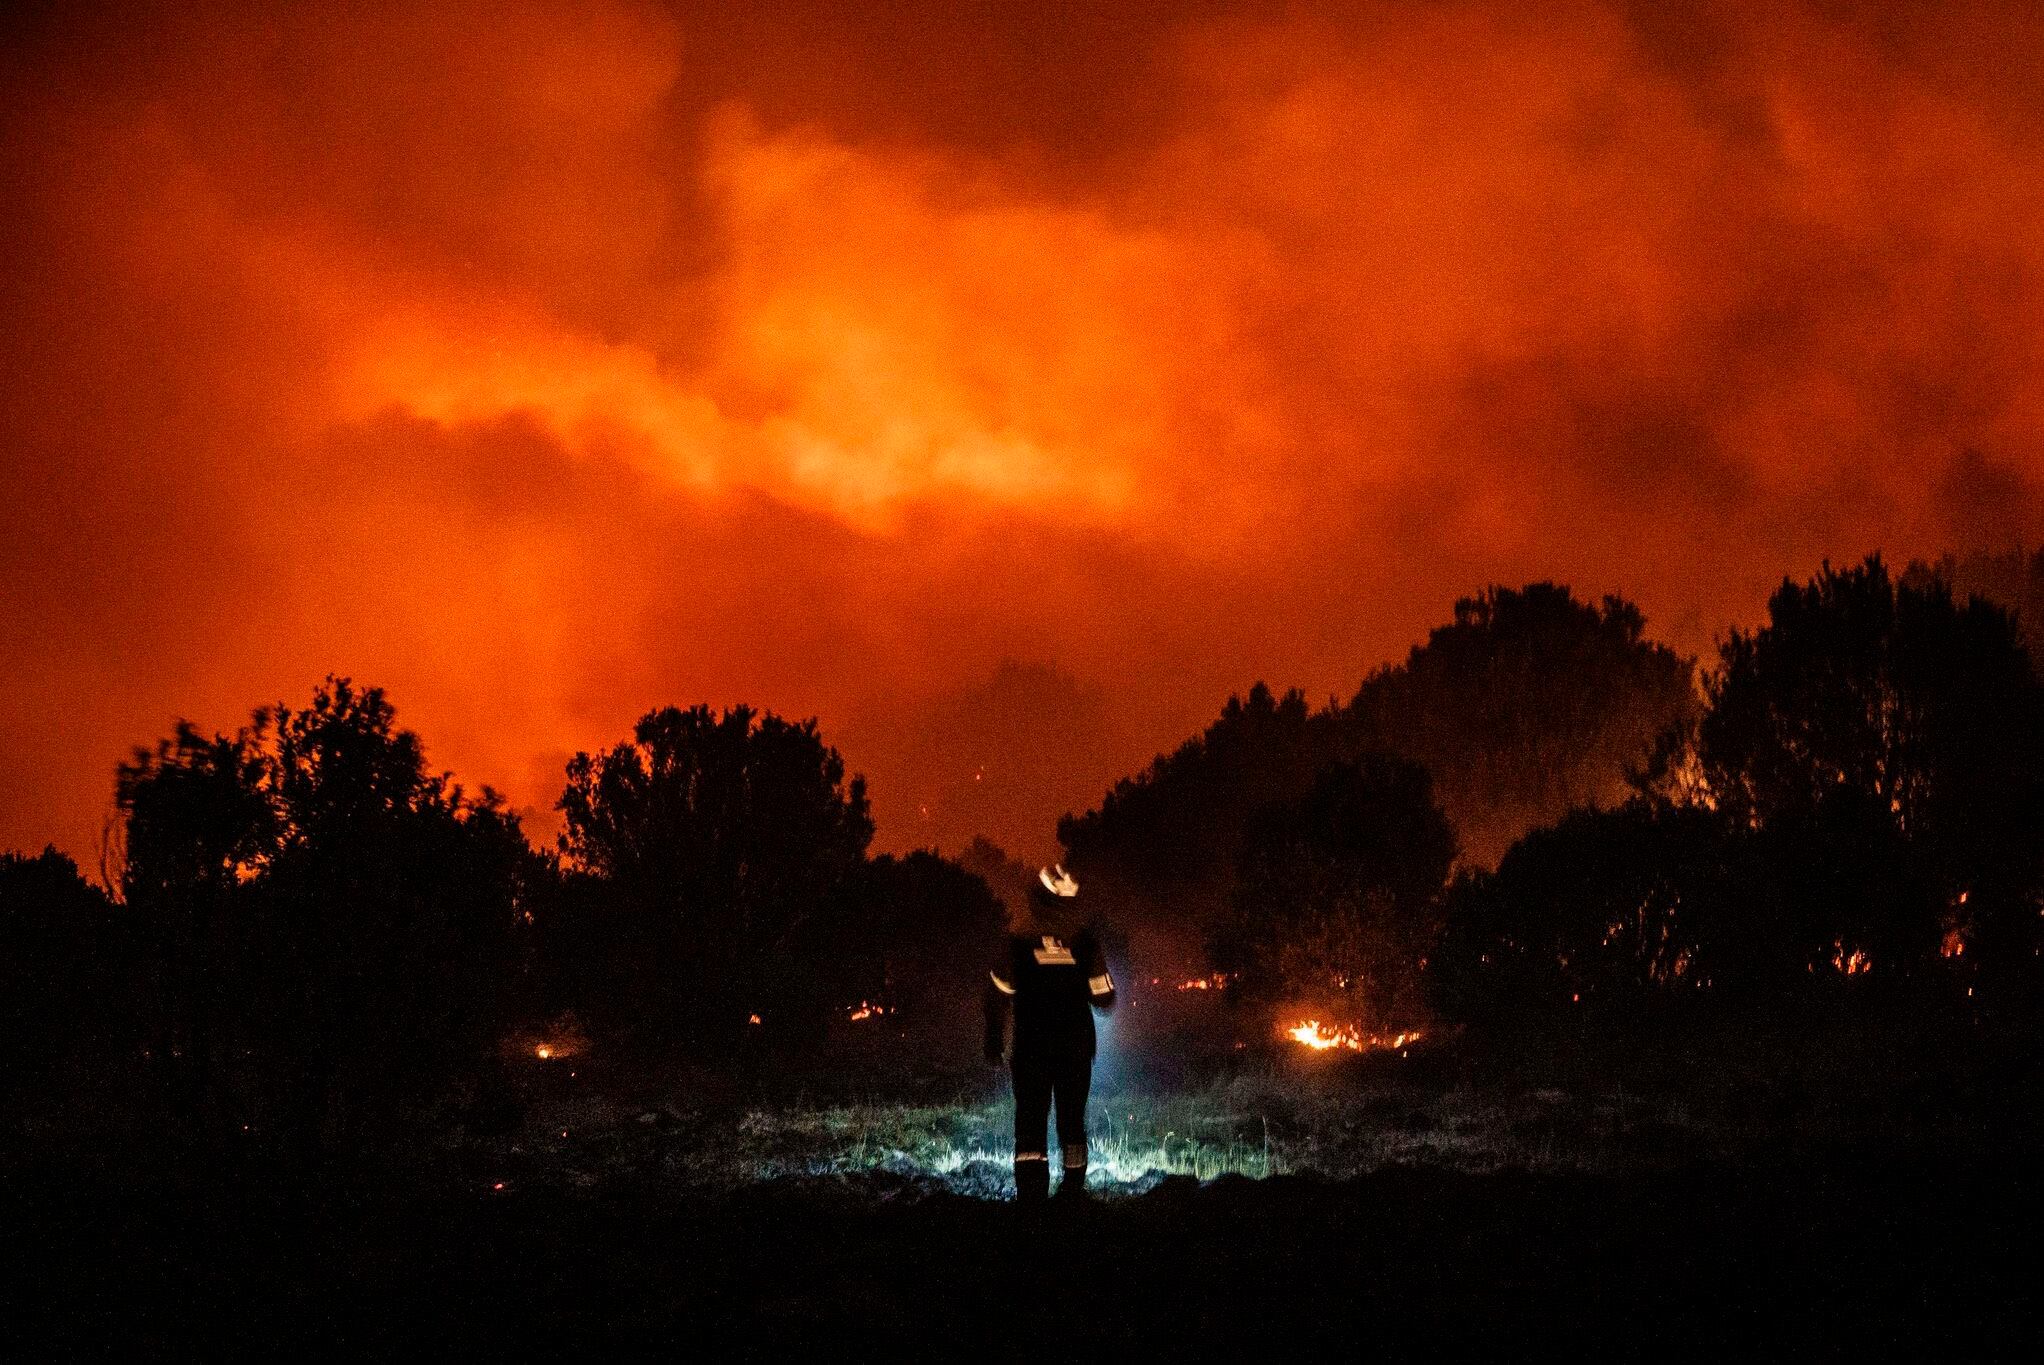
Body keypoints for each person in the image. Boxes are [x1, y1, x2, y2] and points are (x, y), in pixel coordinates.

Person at [985, 863, 1116, 1201]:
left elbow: (999, 993)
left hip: (1031, 1047)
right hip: (1074, 1047)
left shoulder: (1018, 941)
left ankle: (1031, 1197)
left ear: (1036, 900)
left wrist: (994, 1038)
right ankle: (1072, 1192)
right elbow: (1104, 997)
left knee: (1030, 1122)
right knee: (1072, 1123)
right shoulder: (1085, 942)